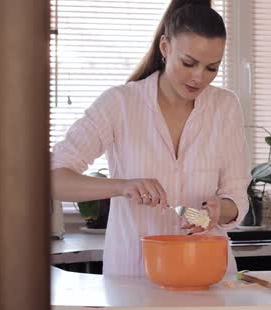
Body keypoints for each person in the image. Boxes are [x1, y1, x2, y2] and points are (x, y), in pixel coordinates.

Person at [50, 0, 251, 276]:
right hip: (135, 278)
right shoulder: (119, 104)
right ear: (165, 48)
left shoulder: (225, 106)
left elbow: (236, 197)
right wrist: (122, 186)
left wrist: (220, 210)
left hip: (209, 278)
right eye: (189, 63)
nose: (198, 77)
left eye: (211, 68)